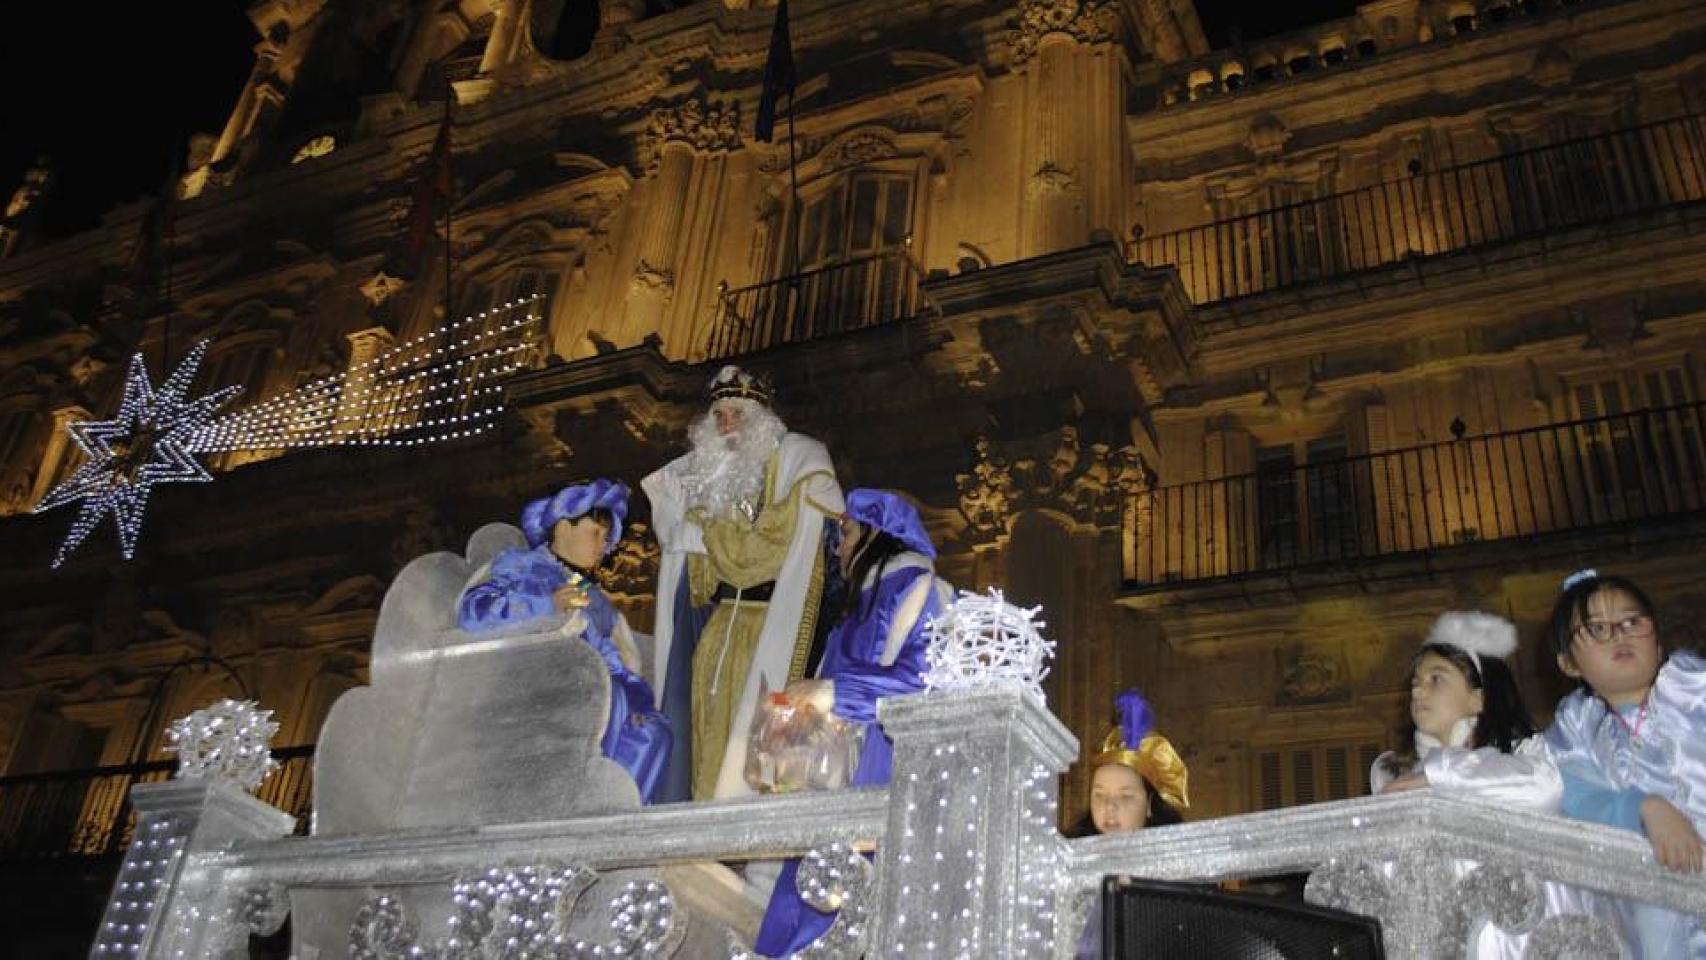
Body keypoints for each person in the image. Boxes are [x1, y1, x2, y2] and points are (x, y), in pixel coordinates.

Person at [751, 489, 950, 956]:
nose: (838, 546)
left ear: (874, 533)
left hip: (882, 770)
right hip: (832, 781)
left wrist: (831, 692)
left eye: (845, 532)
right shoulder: (856, 608)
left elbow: (925, 683)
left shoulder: (921, 588)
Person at [643, 365, 844, 801]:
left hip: (766, 626)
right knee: (705, 733)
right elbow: (702, 586)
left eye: (737, 414)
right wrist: (684, 538)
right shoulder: (715, 481)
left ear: (761, 421)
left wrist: (705, 537)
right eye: (719, 416)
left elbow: (763, 556)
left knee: (751, 741)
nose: (727, 424)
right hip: (718, 630)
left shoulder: (794, 465)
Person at [457, 479, 672, 804]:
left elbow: (617, 660)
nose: (604, 546)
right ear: (562, 526)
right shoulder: (523, 565)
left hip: (598, 695)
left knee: (654, 734)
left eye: (607, 538)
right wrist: (546, 604)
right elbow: (473, 613)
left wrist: (641, 702)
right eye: (596, 533)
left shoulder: (595, 597)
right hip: (540, 696)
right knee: (610, 702)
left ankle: (615, 831)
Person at [1371, 611, 1564, 958]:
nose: (1417, 688)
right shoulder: (1391, 772)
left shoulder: (1525, 757)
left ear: (1479, 697)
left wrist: (1439, 775)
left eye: (1436, 678)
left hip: (1507, 940)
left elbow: (1544, 791)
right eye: (1415, 680)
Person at [1544, 570, 1705, 958]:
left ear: (1659, 640)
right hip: (1658, 916)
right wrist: (1644, 806)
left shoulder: (1694, 691)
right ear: (1568, 663)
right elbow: (1576, 797)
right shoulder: (1576, 730)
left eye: (1632, 622)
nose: (1619, 633)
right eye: (1596, 628)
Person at [1071, 688, 1188, 959]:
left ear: (1148, 805)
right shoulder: (1070, 864)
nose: (1109, 807)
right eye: (1099, 795)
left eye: (1125, 796)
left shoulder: (1176, 873)